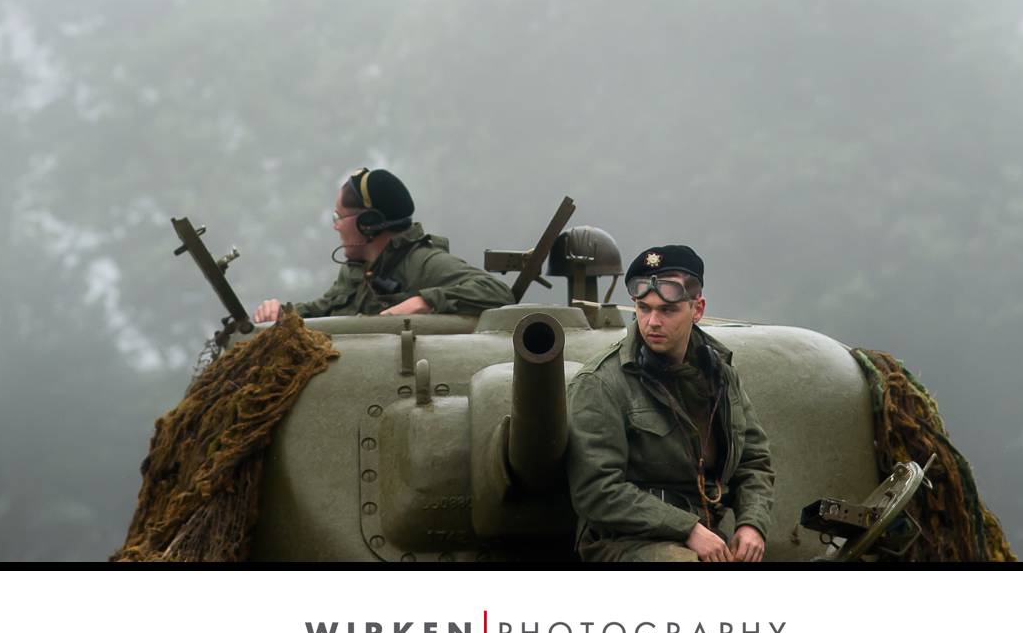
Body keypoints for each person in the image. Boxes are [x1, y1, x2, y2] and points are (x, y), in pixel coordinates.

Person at [565, 244, 774, 563]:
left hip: (706, 534)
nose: (652, 322)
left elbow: (753, 461)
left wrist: (752, 524)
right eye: (643, 308)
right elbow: (597, 491)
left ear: (697, 309)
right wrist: (688, 529)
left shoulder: (719, 374)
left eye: (667, 310)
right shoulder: (601, 382)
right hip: (622, 541)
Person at [250, 167, 516, 322]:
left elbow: (497, 293)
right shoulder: (358, 271)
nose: (335, 226)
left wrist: (423, 302)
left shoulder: (422, 262)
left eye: (339, 217)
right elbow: (324, 310)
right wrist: (282, 314)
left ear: (368, 222)